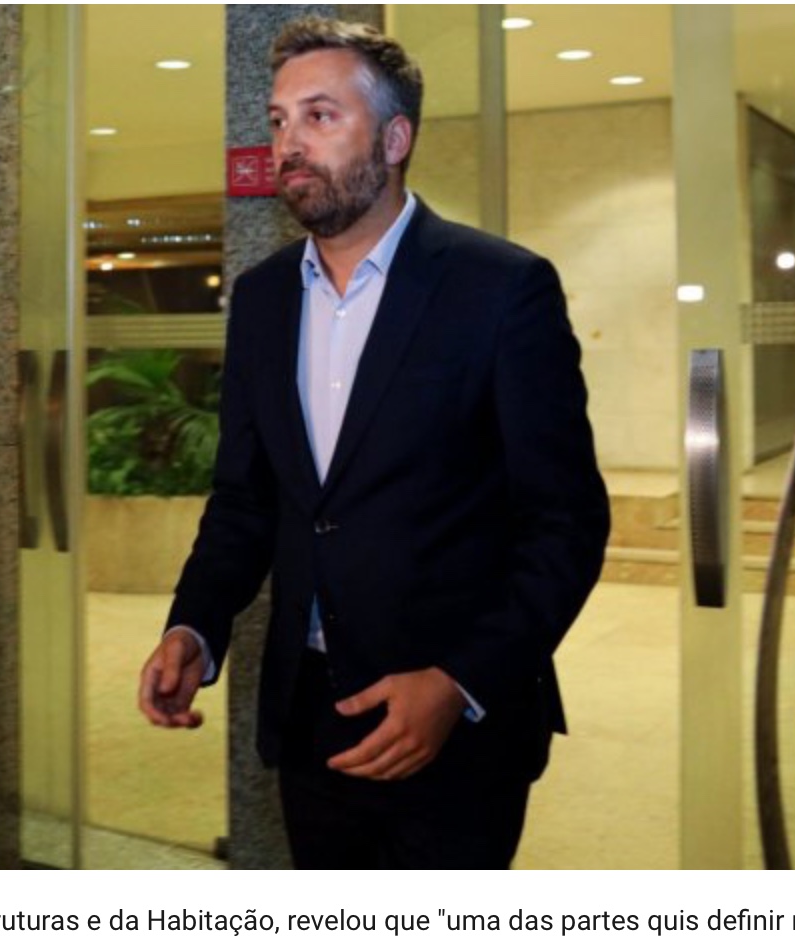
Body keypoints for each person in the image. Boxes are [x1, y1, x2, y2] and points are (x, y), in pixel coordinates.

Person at [137, 16, 610, 869]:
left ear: (395, 139)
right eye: (279, 120)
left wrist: (459, 681)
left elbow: (566, 524)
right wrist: (194, 628)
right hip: (309, 715)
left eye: (320, 116)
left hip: (456, 728)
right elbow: (247, 499)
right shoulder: (263, 299)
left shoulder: (502, 289)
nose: (289, 143)